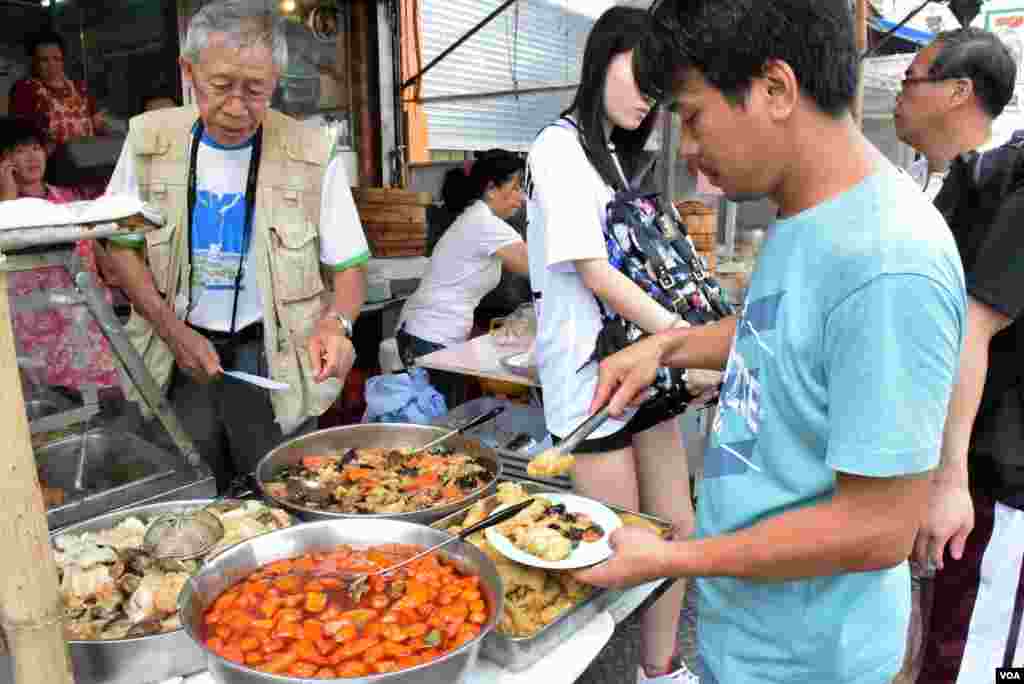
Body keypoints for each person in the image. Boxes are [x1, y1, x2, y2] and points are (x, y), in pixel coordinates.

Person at [574, 2, 967, 684]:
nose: (687, 150)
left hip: (810, 661)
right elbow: (785, 332)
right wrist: (666, 349)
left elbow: (878, 529)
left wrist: (670, 559)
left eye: (693, 117)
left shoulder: (890, 262)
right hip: (753, 631)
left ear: (776, 89)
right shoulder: (809, 213)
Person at [103, 0, 368, 492]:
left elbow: (349, 266)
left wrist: (338, 323)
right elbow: (121, 246)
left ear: (276, 80)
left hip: (273, 359)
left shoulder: (311, 153)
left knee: (283, 492)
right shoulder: (147, 141)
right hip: (175, 355)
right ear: (189, 71)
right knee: (186, 494)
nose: (237, 107)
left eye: (256, 90)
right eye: (221, 85)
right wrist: (171, 329)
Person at [526, 8, 710, 682]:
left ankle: (660, 669)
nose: (649, 96)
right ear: (604, 56)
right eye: (642, 75)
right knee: (609, 545)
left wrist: (678, 346)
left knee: (675, 528)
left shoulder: (616, 158)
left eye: (661, 86)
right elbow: (594, 271)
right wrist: (687, 342)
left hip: (643, 372)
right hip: (592, 382)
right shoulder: (558, 148)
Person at [894, 28, 1024, 684]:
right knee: (953, 648)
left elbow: (969, 328)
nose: (899, 92)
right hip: (974, 473)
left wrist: (947, 481)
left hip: (990, 480)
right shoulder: (973, 183)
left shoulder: (997, 178)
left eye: (910, 78)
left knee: (965, 652)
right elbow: (952, 327)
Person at [396, 149, 528, 407]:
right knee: (442, 419)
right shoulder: (484, 224)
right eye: (515, 187)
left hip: (425, 333)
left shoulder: (475, 218)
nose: (521, 197)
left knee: (443, 414)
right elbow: (538, 269)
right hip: (430, 337)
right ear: (491, 189)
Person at [0, 116, 119, 390]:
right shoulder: (6, 209)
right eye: (19, 151)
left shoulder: (69, 200)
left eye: (36, 148)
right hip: (36, 336)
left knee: (104, 400)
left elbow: (105, 264)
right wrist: (7, 194)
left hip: (88, 324)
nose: (32, 157)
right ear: (5, 162)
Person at [10, 30, 109, 157]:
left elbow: (98, 123)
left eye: (56, 59)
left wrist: (102, 126)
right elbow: (21, 136)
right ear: (33, 61)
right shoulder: (25, 90)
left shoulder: (79, 88)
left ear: (63, 60)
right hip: (50, 162)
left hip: (87, 159)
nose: (51, 65)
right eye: (44, 60)